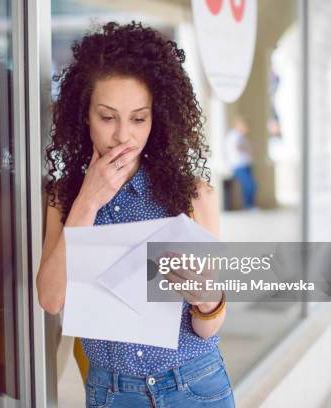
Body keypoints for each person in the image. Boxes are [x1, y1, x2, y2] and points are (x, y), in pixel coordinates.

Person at [36, 22, 235, 407]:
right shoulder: (66, 199)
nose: (123, 135)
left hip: (194, 384)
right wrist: (87, 203)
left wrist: (208, 300)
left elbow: (208, 329)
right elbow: (50, 299)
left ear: (156, 119)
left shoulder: (193, 196)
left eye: (138, 118)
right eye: (107, 117)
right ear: (85, 116)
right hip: (113, 393)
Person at [225, 117, 257, 209]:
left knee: (249, 186)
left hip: (246, 164)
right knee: (250, 185)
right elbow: (238, 147)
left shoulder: (241, 136)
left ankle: (250, 206)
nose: (246, 128)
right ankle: (249, 206)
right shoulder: (233, 135)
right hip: (238, 166)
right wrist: (247, 147)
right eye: (244, 126)